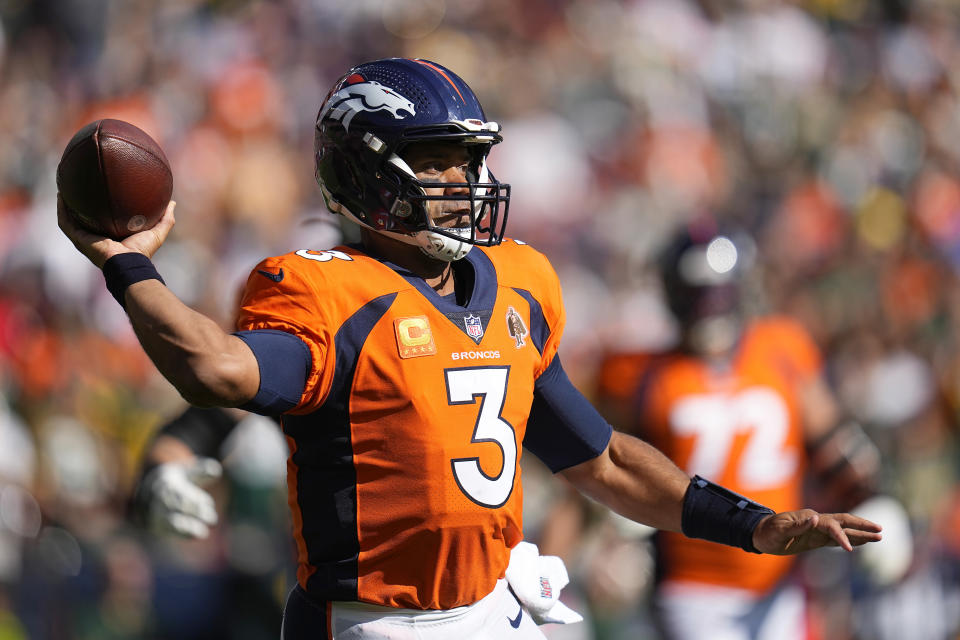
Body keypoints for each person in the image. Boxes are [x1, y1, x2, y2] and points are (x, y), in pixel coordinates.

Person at [57, 58, 881, 640]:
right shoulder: (322, 289)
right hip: (381, 622)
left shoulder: (518, 283)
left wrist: (754, 525)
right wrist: (126, 262)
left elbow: (603, 461)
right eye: (438, 164)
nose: (465, 184)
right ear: (365, 174)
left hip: (497, 607)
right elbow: (218, 373)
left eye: (469, 161)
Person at [592, 225, 895, 640]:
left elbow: (833, 444)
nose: (707, 306)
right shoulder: (639, 373)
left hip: (779, 584)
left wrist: (871, 498)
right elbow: (607, 466)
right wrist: (610, 540)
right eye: (696, 293)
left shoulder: (780, 348)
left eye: (716, 292)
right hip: (691, 586)